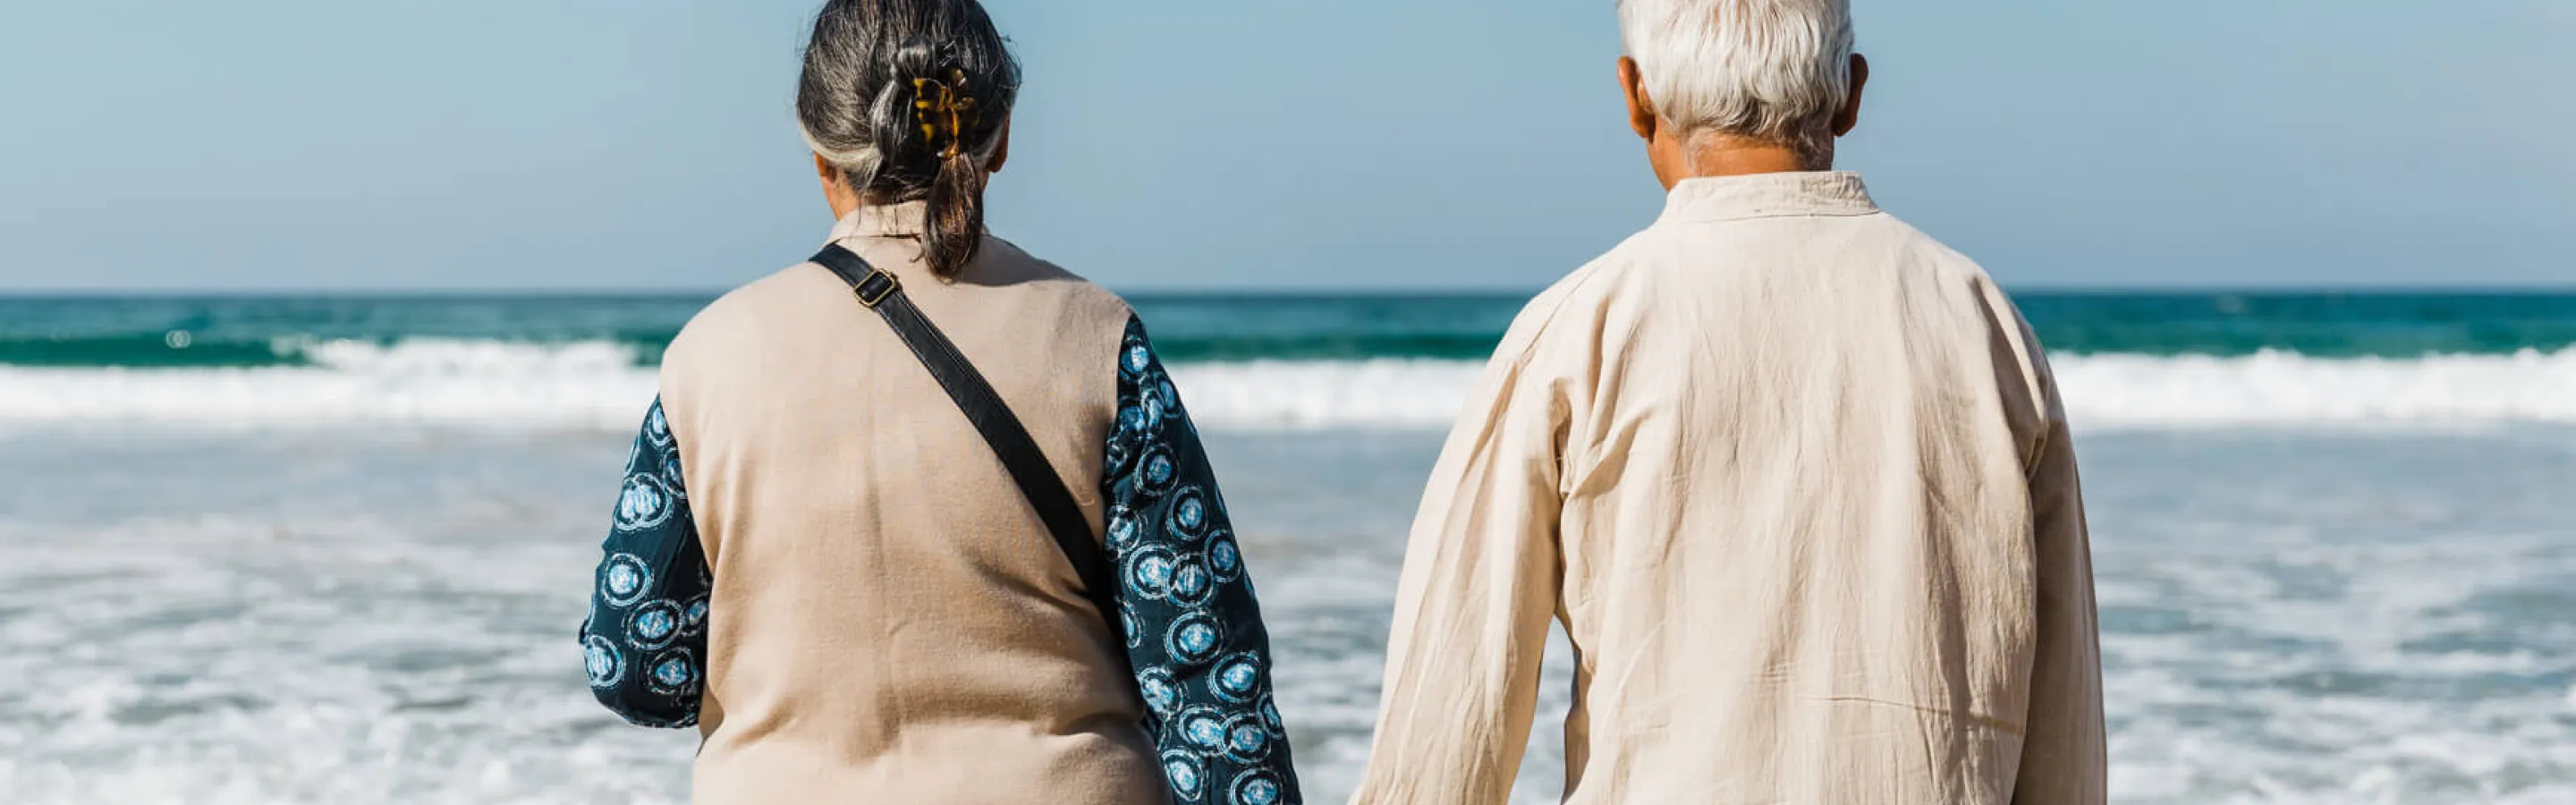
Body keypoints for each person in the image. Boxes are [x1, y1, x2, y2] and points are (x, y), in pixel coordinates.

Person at [1347, 1, 2106, 803]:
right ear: (1850, 92)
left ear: (1636, 96)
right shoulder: (1981, 324)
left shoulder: (1580, 331)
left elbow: (1447, 733)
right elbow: (2063, 731)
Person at [576, 2, 1301, 803]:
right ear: (1000, 138)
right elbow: (1210, 690)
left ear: (819, 150)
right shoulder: (1099, 337)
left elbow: (636, 669)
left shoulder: (706, 358)